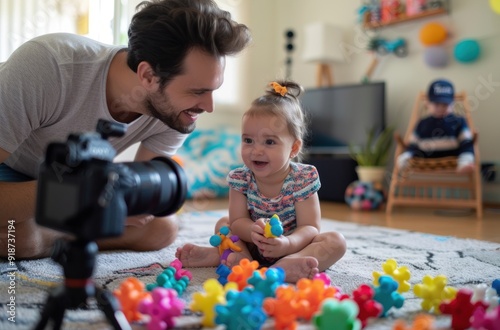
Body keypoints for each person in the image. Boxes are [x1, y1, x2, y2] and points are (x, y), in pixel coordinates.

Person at [0, 0, 251, 259]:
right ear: (148, 76)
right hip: (9, 170)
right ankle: (42, 232)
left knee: (162, 227)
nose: (207, 106)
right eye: (198, 91)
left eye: (212, 90)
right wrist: (79, 191)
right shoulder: (49, 67)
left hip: (69, 190)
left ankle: (49, 236)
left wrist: (109, 197)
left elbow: (144, 201)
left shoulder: (177, 114)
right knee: (16, 234)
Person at [175, 81, 347, 283]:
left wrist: (286, 244)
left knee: (336, 241)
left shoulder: (302, 178)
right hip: (251, 243)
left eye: (269, 142)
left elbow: (309, 227)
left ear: (293, 148)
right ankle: (242, 259)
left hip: (294, 245)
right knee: (223, 225)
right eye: (248, 140)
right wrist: (252, 232)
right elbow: (238, 221)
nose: (256, 150)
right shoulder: (240, 179)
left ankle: (289, 263)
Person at [397, 79, 475, 173]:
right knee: (406, 155)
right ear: (427, 103)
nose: (441, 108)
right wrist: (408, 154)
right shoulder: (422, 123)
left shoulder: (458, 120)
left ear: (453, 104)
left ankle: (465, 164)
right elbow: (413, 144)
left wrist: (466, 155)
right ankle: (405, 161)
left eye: (445, 105)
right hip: (424, 157)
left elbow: (465, 141)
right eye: (437, 104)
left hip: (453, 155)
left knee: (467, 148)